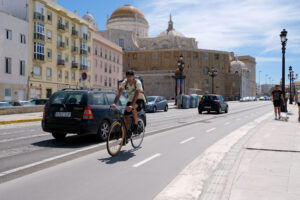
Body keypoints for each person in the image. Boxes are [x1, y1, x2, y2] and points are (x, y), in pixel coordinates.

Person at [111, 70, 146, 144]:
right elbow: (119, 93)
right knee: (125, 117)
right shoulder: (125, 82)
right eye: (127, 77)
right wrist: (114, 103)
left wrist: (131, 105)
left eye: (130, 77)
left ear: (133, 77)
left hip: (139, 100)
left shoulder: (137, 83)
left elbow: (136, 95)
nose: (129, 78)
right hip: (130, 100)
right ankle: (125, 136)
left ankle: (136, 125)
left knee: (133, 108)